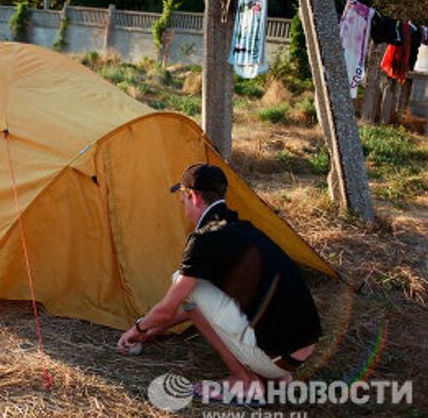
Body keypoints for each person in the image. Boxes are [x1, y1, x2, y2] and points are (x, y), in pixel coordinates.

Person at [117, 163, 322, 400]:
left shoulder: (205, 238)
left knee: (181, 282)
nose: (182, 204)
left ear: (193, 197)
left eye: (182, 198)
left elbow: (170, 307)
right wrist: (155, 330)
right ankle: (277, 375)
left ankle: (246, 383)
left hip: (275, 357)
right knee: (198, 288)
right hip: (300, 351)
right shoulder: (241, 228)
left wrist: (138, 328)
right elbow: (203, 307)